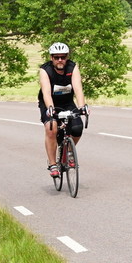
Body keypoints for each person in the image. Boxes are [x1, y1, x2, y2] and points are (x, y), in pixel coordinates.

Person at [38, 42, 87, 177]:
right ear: (51, 58)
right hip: (49, 103)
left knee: (77, 128)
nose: (60, 60)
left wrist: (82, 106)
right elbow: (46, 92)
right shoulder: (45, 70)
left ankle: (68, 152)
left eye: (63, 57)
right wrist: (51, 109)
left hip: (67, 102)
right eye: (56, 57)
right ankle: (53, 164)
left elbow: (78, 88)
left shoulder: (72, 67)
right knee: (51, 128)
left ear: (67, 57)